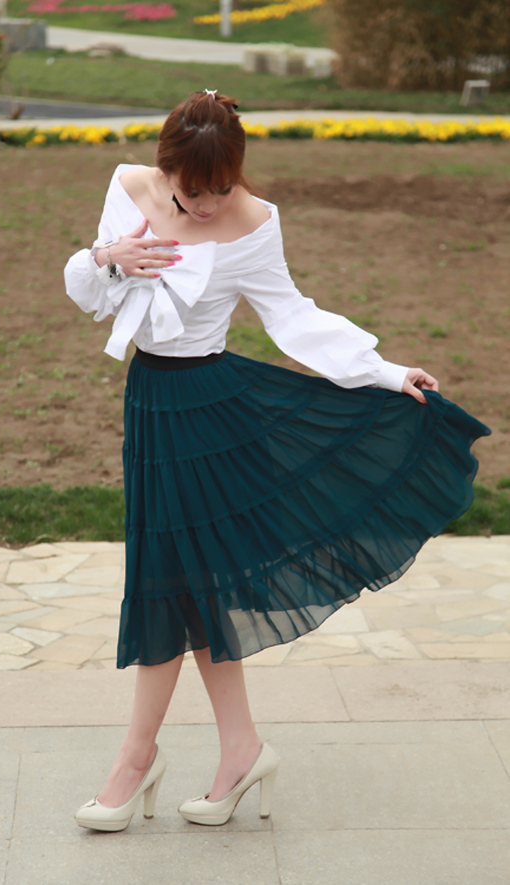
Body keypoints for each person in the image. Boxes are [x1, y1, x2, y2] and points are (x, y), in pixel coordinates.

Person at [64, 90, 490, 832]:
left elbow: (293, 315)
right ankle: (240, 749)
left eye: (221, 187)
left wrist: (386, 372)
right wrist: (107, 256)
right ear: (166, 168)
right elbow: (93, 296)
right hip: (150, 403)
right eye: (193, 191)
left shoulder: (255, 222)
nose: (207, 205)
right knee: (190, 587)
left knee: (169, 583)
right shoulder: (129, 186)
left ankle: (136, 760)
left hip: (213, 414)